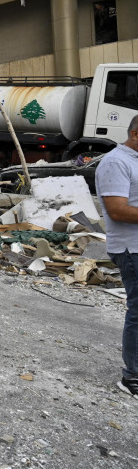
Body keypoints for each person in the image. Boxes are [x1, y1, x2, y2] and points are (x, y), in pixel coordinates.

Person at [95, 114, 138, 400]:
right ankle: (132, 376)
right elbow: (118, 210)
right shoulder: (115, 162)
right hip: (131, 249)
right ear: (136, 135)